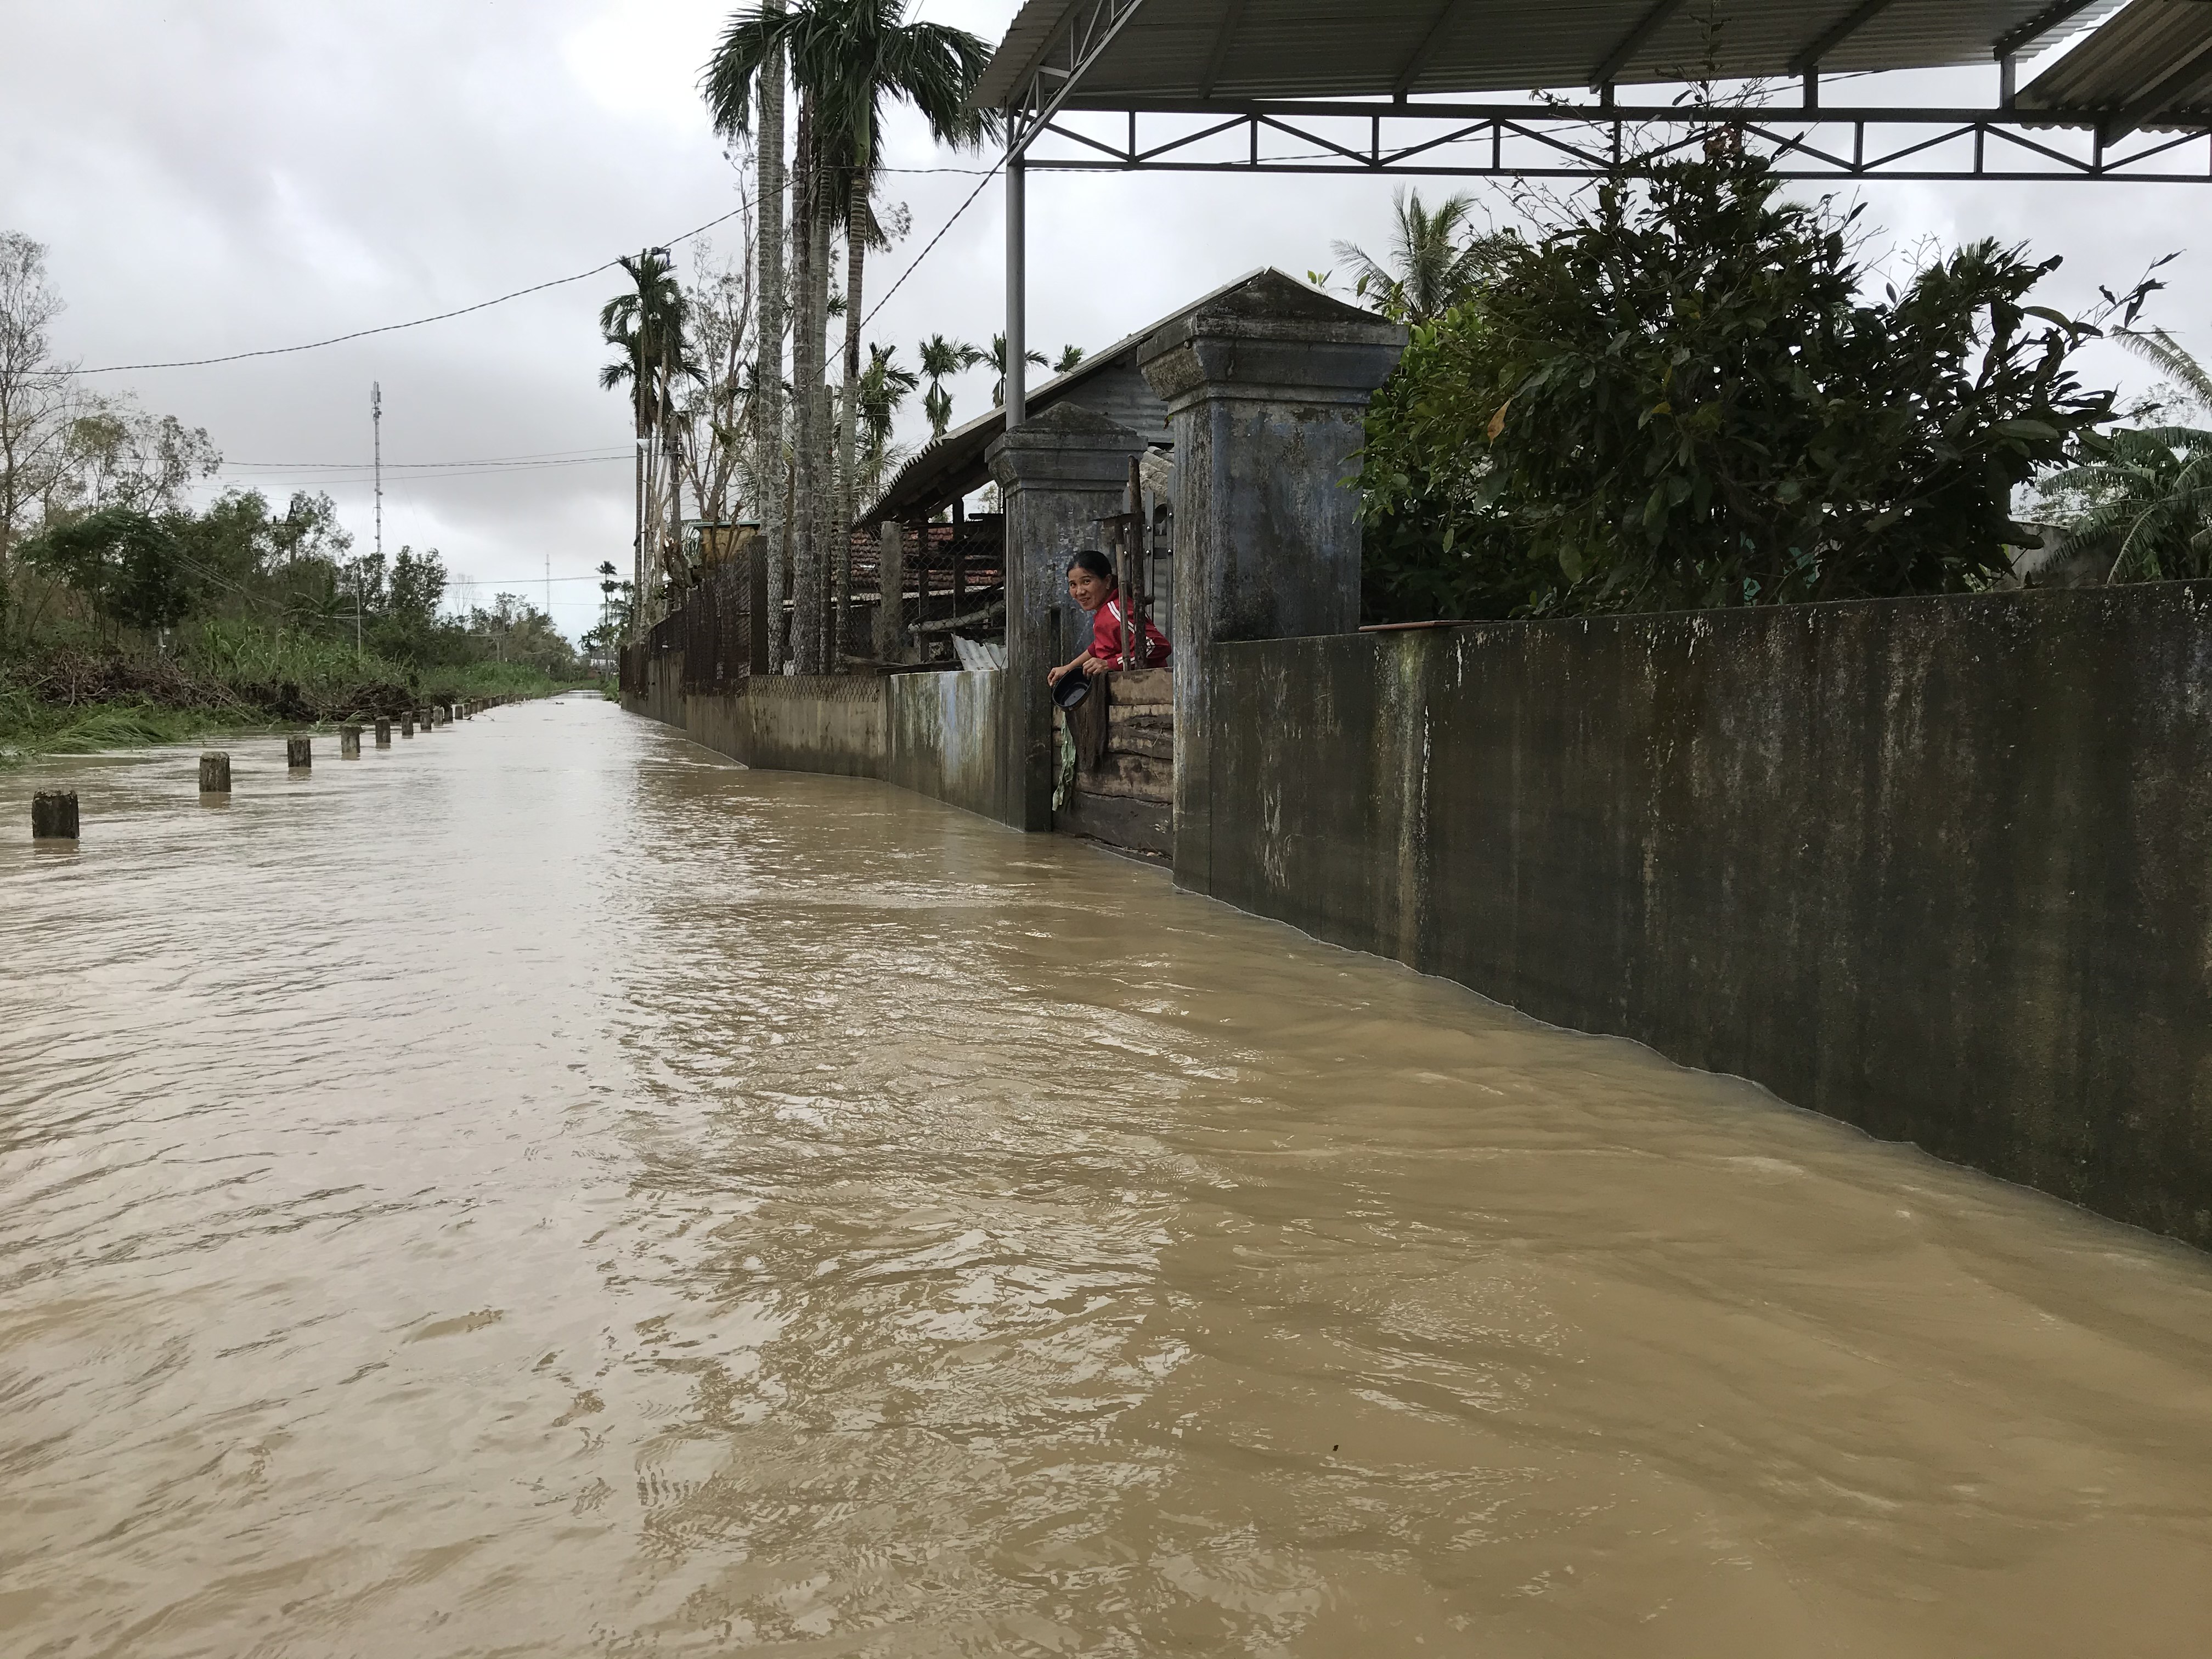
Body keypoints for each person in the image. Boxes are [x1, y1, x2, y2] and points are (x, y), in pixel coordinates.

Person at [1046, 549, 1170, 689]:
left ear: (1107, 581)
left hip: (1147, 692)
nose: (1079, 591)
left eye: (1086, 581)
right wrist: (1069, 667)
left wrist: (1111, 664)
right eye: (1073, 584)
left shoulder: (1117, 611)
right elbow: (1101, 645)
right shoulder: (1106, 612)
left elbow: (1157, 645)